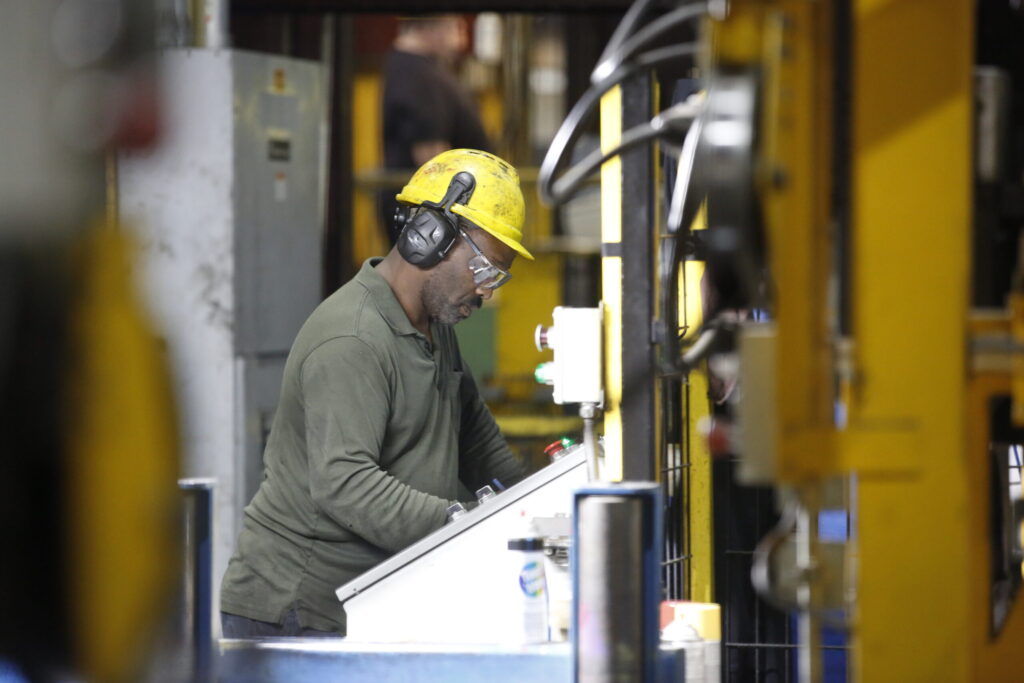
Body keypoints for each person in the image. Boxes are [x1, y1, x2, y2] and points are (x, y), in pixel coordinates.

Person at [220, 148, 532, 637]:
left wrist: (531, 513)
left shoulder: (433, 325)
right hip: (298, 611)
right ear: (431, 237)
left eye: (496, 277)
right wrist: (463, 522)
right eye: (486, 269)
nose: (486, 292)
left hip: (372, 601)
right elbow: (345, 484)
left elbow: (476, 440)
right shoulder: (353, 338)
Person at [379, 15, 492, 244]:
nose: (460, 42)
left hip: (428, 214)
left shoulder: (414, 68)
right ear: (432, 26)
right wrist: (446, 220)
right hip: (431, 215)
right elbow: (431, 156)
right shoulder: (417, 74)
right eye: (455, 28)